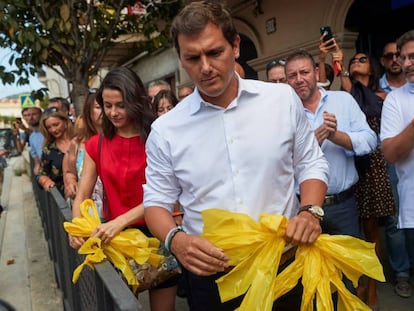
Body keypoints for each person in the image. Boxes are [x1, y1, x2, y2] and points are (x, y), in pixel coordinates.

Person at [143, 2, 329, 310]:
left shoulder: (282, 100)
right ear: (181, 59)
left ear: (236, 46)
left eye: (215, 52)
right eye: (192, 57)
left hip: (285, 266)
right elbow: (156, 201)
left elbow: (310, 162)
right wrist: (176, 240)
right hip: (213, 280)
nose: (205, 67)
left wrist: (310, 212)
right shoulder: (165, 130)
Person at [69, 67, 176, 311]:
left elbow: (164, 194)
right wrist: (76, 226)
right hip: (116, 239)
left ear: (136, 101)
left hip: (158, 232)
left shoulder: (158, 137)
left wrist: (119, 221)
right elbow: (82, 193)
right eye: (107, 105)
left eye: (121, 105)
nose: (113, 112)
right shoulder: (95, 145)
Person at [285, 50, 377, 295]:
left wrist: (336, 136)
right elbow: (278, 163)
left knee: (349, 274)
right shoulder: (283, 112)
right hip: (302, 209)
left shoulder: (343, 101)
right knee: (310, 280)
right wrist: (312, 141)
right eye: (292, 75)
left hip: (343, 205)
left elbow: (370, 141)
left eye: (304, 72)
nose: (299, 79)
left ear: (316, 73)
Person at [336, 49, 396, 308]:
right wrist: (332, 60)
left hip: (372, 168)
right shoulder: (347, 96)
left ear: (371, 68)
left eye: (362, 60)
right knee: (353, 232)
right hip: (350, 164)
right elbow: (346, 93)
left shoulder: (381, 97)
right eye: (352, 61)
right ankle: (356, 282)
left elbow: (362, 98)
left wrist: (346, 73)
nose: (355, 62)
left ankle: (371, 285)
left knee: (372, 232)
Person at [381, 29, 414, 300]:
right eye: (404, 57)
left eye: (412, 57)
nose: (406, 63)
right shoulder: (395, 100)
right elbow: (390, 153)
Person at [63, 92, 103, 213]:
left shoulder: (120, 140)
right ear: (88, 111)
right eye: (98, 107)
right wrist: (71, 182)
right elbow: (70, 172)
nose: (105, 111)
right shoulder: (77, 143)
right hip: (88, 213)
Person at [37, 108, 74, 196]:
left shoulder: (80, 140)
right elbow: (41, 174)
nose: (53, 130)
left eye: (56, 124)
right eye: (49, 127)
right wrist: (45, 180)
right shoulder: (49, 150)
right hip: (63, 199)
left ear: (65, 121)